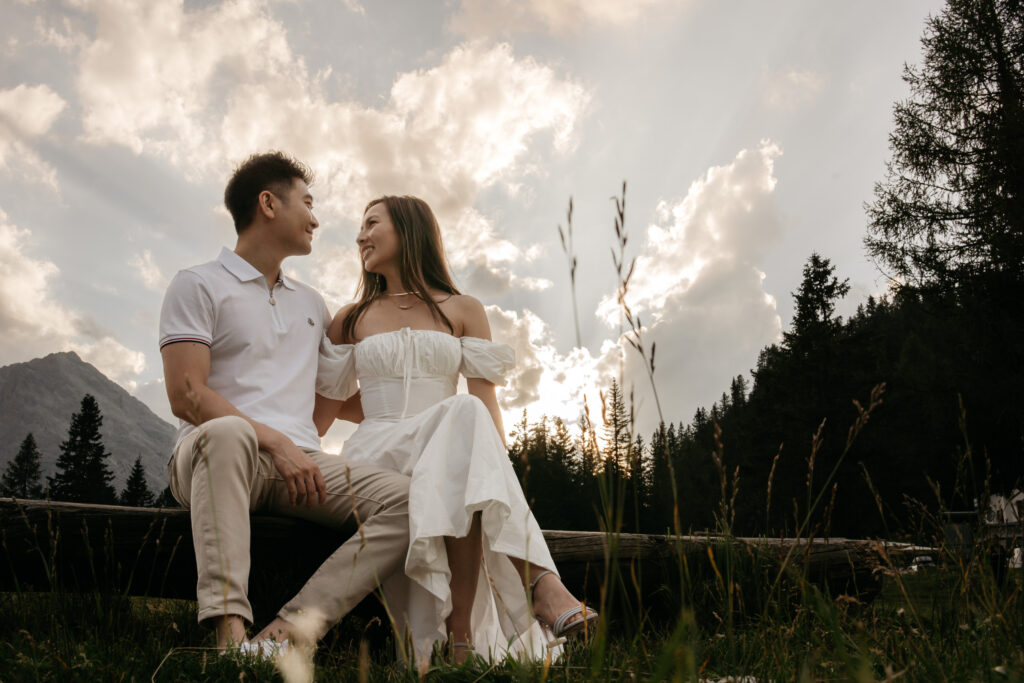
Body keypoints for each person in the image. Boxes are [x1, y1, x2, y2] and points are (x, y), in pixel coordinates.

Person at [314, 195, 597, 664]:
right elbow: (323, 414)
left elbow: (486, 404)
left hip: (450, 451)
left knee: (465, 432)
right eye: (361, 228)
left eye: (371, 223)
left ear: (409, 228)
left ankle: (461, 634)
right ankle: (541, 586)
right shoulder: (351, 317)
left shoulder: (463, 309)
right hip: (375, 456)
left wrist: (494, 477)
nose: (360, 236)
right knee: (462, 420)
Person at [159, 152, 411, 655]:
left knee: (413, 500)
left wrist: (426, 402)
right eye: (308, 203)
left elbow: (337, 398)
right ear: (268, 204)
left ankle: (288, 632)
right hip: (214, 456)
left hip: (300, 466)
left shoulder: (312, 303)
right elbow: (187, 395)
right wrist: (274, 442)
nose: (316, 219)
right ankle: (230, 640)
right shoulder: (198, 283)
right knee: (228, 433)